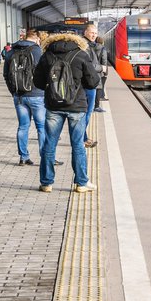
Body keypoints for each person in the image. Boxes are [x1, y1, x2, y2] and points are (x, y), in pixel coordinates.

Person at [33, 30, 100, 193]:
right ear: (76, 41)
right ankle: (81, 183)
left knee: (50, 143)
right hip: (76, 106)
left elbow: (38, 82)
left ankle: (46, 183)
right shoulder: (80, 54)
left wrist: (53, 88)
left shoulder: (47, 55)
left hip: (53, 106)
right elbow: (93, 82)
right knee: (77, 144)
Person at [4, 29, 53, 167]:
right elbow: (46, 73)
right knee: (42, 127)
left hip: (19, 96)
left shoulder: (11, 51)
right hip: (37, 95)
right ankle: (45, 157)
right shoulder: (38, 51)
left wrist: (13, 91)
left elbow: (6, 75)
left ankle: (23, 157)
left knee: (23, 126)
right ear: (37, 38)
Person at [81, 25, 104, 145]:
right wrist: (101, 68)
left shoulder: (89, 45)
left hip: (88, 83)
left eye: (95, 33)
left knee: (85, 113)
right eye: (91, 33)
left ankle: (83, 138)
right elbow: (88, 65)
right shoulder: (86, 46)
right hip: (88, 84)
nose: (94, 35)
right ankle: (82, 139)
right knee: (86, 113)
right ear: (85, 32)